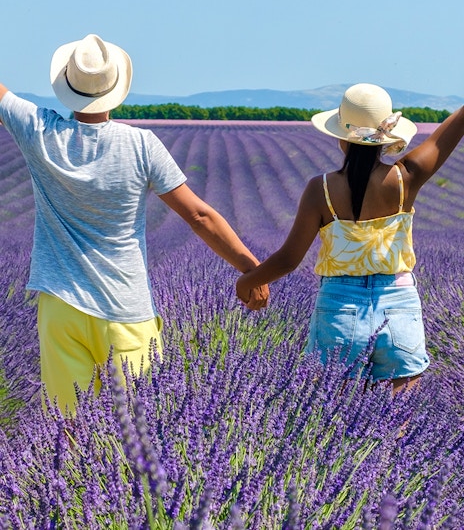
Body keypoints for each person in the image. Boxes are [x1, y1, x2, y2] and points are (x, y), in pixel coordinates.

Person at [0, 33, 269, 413]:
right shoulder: (140, 145)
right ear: (116, 88)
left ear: (66, 85)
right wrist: (251, 270)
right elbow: (198, 215)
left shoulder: (39, 131)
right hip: (125, 308)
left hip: (61, 305)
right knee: (137, 435)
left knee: (65, 431)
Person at [237, 83, 464, 393]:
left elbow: (289, 259)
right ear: (387, 139)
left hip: (339, 309)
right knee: (398, 427)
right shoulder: (405, 178)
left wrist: (247, 282)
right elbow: (449, 133)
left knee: (337, 423)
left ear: (341, 140)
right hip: (399, 306)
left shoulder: (322, 190)